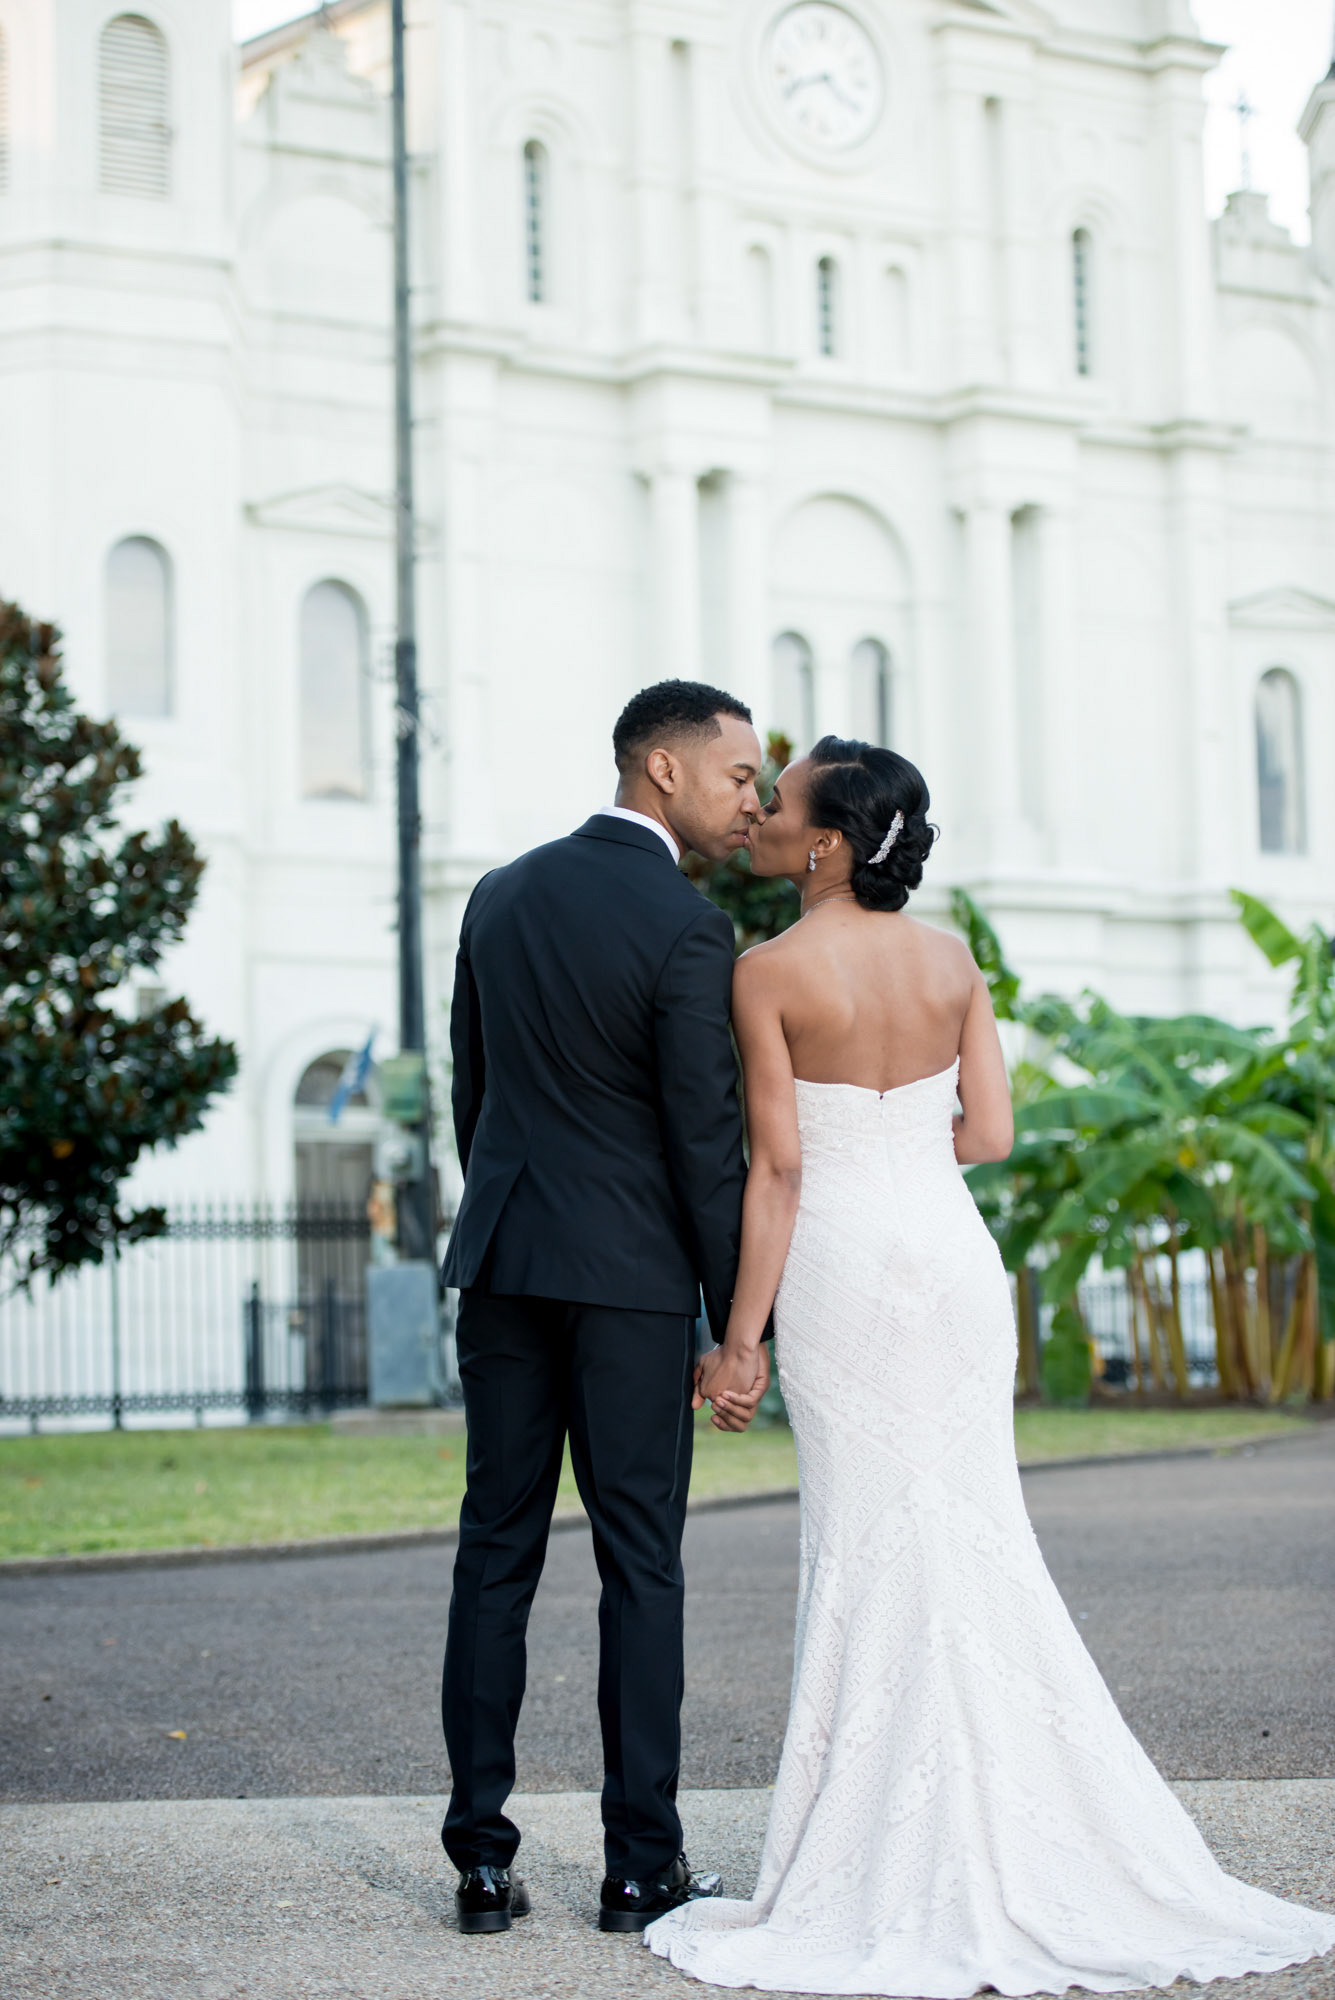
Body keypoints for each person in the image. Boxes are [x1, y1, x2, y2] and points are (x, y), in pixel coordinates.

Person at [649, 736, 1335, 1995]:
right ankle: (1033, 1827)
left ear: (830, 846)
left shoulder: (766, 973)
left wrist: (740, 1338)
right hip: (954, 1266)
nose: (760, 818)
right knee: (975, 1531)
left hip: (845, 1269)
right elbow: (994, 1131)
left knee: (863, 1539)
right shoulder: (955, 960)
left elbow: (783, 1171)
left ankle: (875, 1848)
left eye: (781, 805)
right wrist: (903, 1157)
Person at [439, 680, 772, 1937]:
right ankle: (641, 1866)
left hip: (508, 1263)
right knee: (641, 1565)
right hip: (630, 1285)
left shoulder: (500, 893)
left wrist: (520, 1211)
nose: (754, 798)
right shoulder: (688, 928)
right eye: (741, 774)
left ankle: (480, 1860)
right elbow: (706, 1140)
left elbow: (476, 1095)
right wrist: (738, 1321)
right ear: (664, 769)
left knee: (494, 1552)